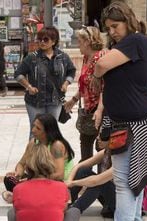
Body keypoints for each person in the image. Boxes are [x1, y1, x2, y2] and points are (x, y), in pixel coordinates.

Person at [91, 2, 147, 219]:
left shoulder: (135, 40)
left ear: (128, 21)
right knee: (136, 180)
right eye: (109, 28)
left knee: (124, 182)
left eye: (116, 26)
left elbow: (101, 65)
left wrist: (98, 72)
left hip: (136, 124)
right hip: (132, 121)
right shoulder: (132, 44)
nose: (112, 32)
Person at [14, 26, 76, 136]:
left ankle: (48, 153)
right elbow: (18, 74)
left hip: (55, 100)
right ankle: (34, 153)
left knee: (51, 132)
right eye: (40, 39)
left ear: (54, 41)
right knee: (35, 131)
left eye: (45, 39)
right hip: (35, 101)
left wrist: (66, 83)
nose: (42, 42)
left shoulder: (63, 57)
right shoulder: (31, 58)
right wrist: (28, 87)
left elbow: (71, 71)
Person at [2, 113, 75, 203]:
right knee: (9, 179)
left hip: (56, 181)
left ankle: (22, 194)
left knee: (32, 186)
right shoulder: (33, 142)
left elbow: (59, 175)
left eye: (38, 128)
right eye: (34, 126)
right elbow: (21, 163)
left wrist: (32, 180)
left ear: (48, 131)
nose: (33, 130)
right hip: (39, 177)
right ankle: (27, 193)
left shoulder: (57, 146)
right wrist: (18, 174)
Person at [64, 26, 107, 161]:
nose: (78, 44)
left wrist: (99, 109)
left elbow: (105, 87)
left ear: (88, 42)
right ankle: (86, 177)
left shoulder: (100, 57)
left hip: (101, 110)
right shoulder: (86, 58)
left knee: (101, 148)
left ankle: (101, 179)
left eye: (79, 41)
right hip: (88, 110)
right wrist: (73, 100)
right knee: (85, 147)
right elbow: (85, 85)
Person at [7, 142, 68, 221]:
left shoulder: (18, 189)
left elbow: (17, 209)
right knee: (74, 211)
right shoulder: (61, 187)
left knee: (11, 212)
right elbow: (63, 210)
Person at [65, 147, 115, 220]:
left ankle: (74, 209)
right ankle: (68, 203)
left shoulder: (119, 158)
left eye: (102, 137)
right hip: (108, 195)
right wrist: (69, 182)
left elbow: (96, 181)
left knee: (100, 183)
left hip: (118, 204)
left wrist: (73, 183)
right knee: (82, 171)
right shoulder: (106, 152)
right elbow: (79, 166)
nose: (98, 138)